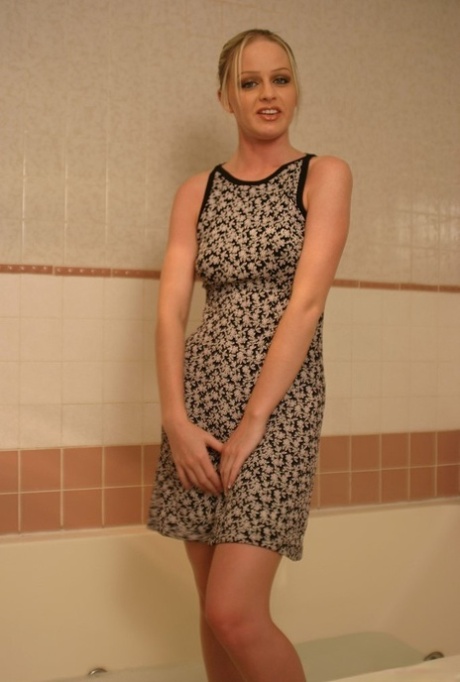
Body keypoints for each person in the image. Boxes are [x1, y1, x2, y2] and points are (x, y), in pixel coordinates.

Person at [148, 28, 352, 682]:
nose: (268, 94)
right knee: (212, 615)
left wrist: (257, 418)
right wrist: (176, 420)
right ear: (225, 98)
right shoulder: (197, 191)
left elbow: (306, 305)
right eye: (250, 81)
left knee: (234, 612)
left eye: (280, 79)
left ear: (295, 89)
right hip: (199, 407)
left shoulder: (324, 175)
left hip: (279, 409)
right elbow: (171, 312)